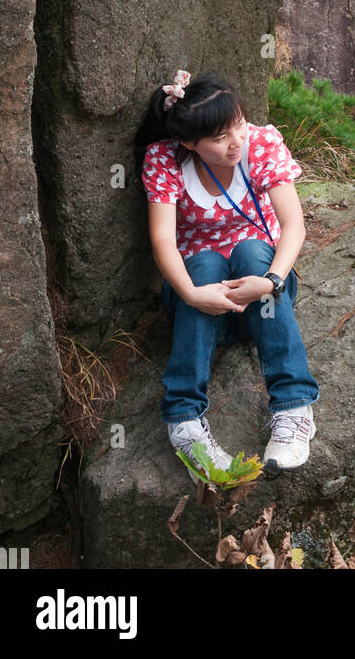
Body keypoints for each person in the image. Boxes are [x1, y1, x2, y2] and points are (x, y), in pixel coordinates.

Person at [133, 69, 320, 480]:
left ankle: (293, 407)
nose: (236, 141)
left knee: (253, 250)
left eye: (237, 124)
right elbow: (163, 240)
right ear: (189, 143)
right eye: (219, 137)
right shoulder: (165, 160)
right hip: (201, 306)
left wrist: (271, 280)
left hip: (262, 294)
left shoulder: (261, 144)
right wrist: (191, 293)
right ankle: (184, 422)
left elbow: (294, 226)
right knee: (200, 262)